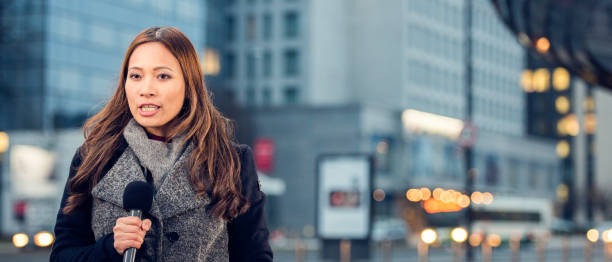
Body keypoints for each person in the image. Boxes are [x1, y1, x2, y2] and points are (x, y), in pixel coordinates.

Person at [50, 26, 273, 261]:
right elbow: (63, 255)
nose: (146, 90)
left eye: (163, 76)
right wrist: (109, 248)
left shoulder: (231, 162)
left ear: (189, 86)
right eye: (136, 76)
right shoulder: (93, 159)